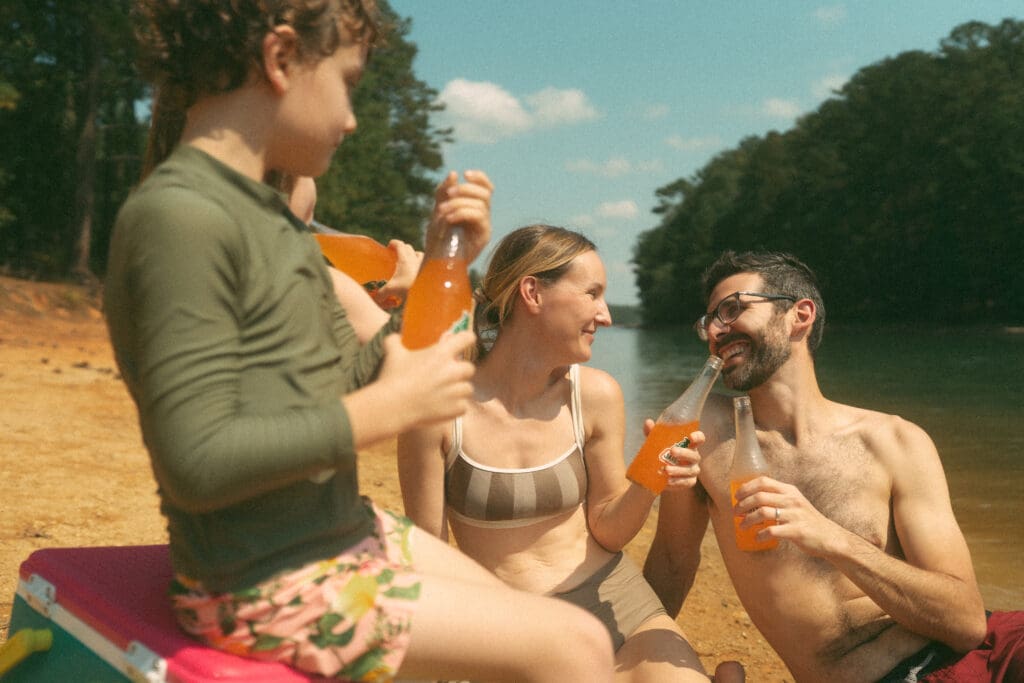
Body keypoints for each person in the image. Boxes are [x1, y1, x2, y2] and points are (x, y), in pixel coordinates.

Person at [104, 2, 616, 681]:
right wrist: (386, 408)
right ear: (280, 59)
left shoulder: (270, 225)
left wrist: (445, 263)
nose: (350, 119)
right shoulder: (180, 217)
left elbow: (374, 371)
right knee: (577, 646)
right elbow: (194, 462)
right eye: (347, 83)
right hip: (261, 583)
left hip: (337, 532)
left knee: (533, 622)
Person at [643, 250, 1024, 682]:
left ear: (799, 315)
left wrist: (832, 539)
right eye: (709, 321)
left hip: (994, 652)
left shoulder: (896, 441)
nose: (715, 331)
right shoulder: (700, 430)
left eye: (732, 309)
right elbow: (671, 563)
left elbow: (967, 623)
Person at [398, 225, 745, 683]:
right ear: (532, 293)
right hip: (505, 627)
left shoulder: (596, 396)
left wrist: (649, 480)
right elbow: (427, 556)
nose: (606, 316)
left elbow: (608, 529)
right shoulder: (438, 409)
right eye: (592, 294)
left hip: (611, 602)